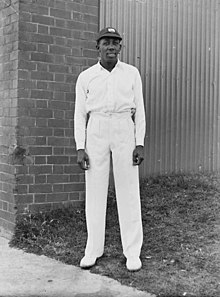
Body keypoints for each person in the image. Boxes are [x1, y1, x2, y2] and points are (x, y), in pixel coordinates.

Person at [74, 27, 146, 271]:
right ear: (98, 47)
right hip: (97, 129)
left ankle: (132, 252)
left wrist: (139, 142)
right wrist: (80, 147)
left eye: (116, 43)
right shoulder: (86, 76)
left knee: (128, 190)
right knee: (95, 191)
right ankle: (93, 249)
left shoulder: (131, 73)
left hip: (124, 127)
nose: (111, 47)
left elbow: (141, 111)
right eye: (106, 42)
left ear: (121, 48)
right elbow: (79, 115)